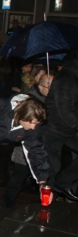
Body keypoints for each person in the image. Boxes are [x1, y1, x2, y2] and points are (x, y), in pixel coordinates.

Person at [5, 73, 53, 207]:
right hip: (25, 145)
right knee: (17, 178)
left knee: (40, 170)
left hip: (38, 142)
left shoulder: (50, 99)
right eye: (49, 87)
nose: (52, 90)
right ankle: (8, 204)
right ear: (41, 85)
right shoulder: (31, 99)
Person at [42, 52, 78, 201]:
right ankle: (46, 202)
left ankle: (63, 184)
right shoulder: (65, 78)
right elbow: (65, 110)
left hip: (68, 129)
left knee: (54, 168)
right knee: (52, 168)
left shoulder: (73, 77)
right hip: (54, 129)